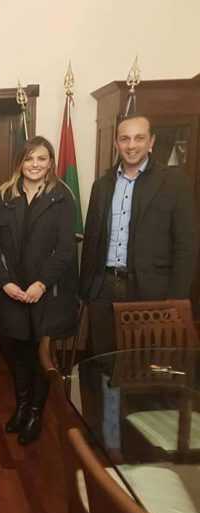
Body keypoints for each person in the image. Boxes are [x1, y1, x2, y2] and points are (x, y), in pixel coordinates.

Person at [0, 136, 79, 445]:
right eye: (29, 158)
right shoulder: (5, 195)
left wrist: (41, 284)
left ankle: (36, 413)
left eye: (41, 158)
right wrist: (6, 282)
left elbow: (65, 250)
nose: (35, 164)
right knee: (17, 354)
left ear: (50, 162)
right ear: (20, 163)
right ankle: (22, 406)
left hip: (45, 293)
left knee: (40, 355)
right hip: (12, 292)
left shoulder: (61, 197)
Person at [80, 114, 197, 354]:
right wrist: (87, 290)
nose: (131, 145)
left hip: (152, 292)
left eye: (139, 138)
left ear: (151, 142)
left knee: (144, 361)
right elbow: (91, 241)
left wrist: (176, 299)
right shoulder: (101, 185)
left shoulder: (174, 183)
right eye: (125, 139)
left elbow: (187, 245)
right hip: (103, 289)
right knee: (104, 359)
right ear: (116, 143)